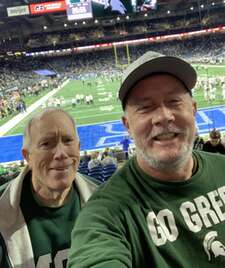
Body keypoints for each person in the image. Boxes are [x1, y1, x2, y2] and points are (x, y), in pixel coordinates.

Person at [68, 51, 225, 267]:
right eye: (145, 107)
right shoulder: (105, 214)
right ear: (127, 126)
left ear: (194, 110)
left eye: (174, 101)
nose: (163, 116)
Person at [0, 108, 99, 267]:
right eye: (46, 144)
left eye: (67, 140)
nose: (61, 153)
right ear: (28, 157)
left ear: (78, 147)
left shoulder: (104, 199)